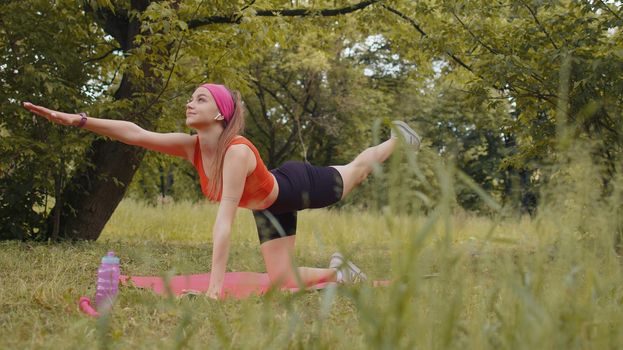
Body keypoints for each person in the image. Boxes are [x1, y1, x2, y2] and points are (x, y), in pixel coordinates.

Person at [22, 83, 421, 299]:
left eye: (200, 98)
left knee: (354, 172)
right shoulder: (192, 146)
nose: (189, 103)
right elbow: (136, 133)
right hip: (269, 204)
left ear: (220, 114)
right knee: (282, 278)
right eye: (191, 97)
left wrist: (215, 288)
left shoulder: (236, 152)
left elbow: (224, 221)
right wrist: (79, 119)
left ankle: (398, 142)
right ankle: (340, 272)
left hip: (297, 186)